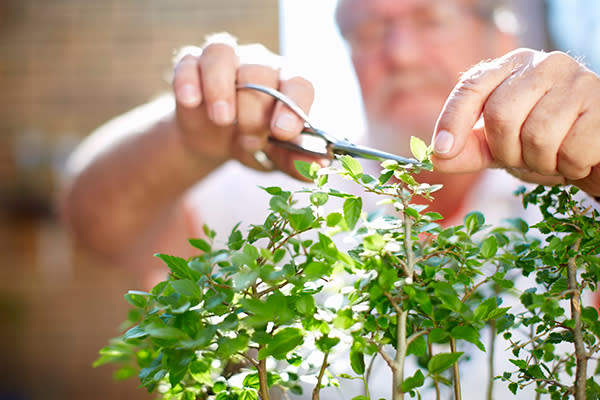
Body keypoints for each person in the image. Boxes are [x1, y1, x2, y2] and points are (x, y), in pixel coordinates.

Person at [59, 0, 600, 397]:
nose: (401, 53)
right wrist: (190, 135)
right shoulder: (297, 180)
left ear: (500, 40)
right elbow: (96, 224)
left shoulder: (573, 191)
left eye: (432, 19)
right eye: (368, 31)